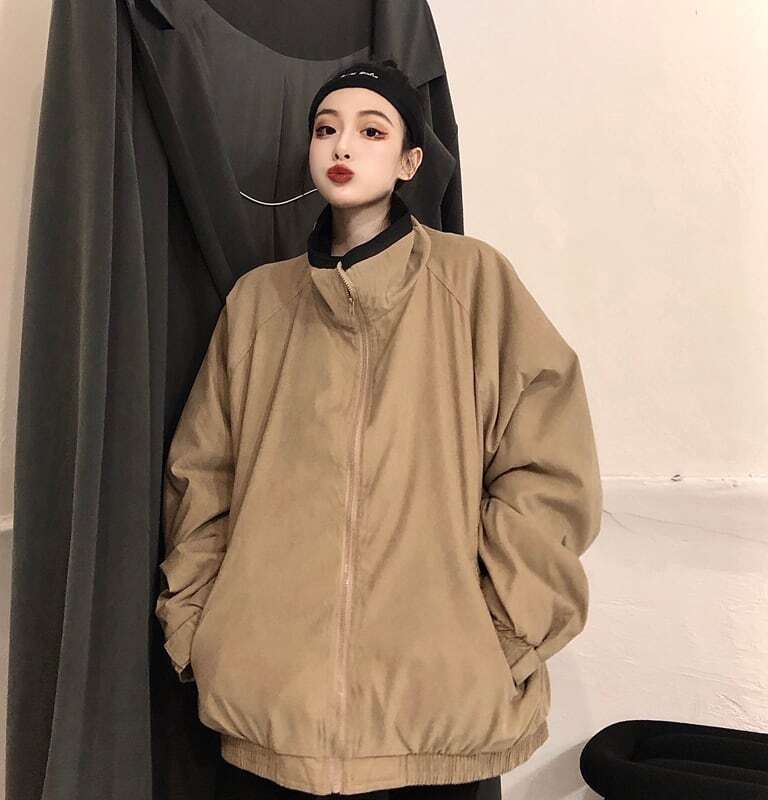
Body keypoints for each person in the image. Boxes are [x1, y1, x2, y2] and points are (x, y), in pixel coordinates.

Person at [155, 59, 603, 800]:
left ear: (408, 162)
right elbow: (203, 478)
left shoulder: (474, 283)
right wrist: (203, 631)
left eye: (371, 131)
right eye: (326, 129)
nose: (342, 145)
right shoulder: (258, 304)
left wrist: (503, 634)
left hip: (439, 720)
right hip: (272, 719)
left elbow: (549, 470)